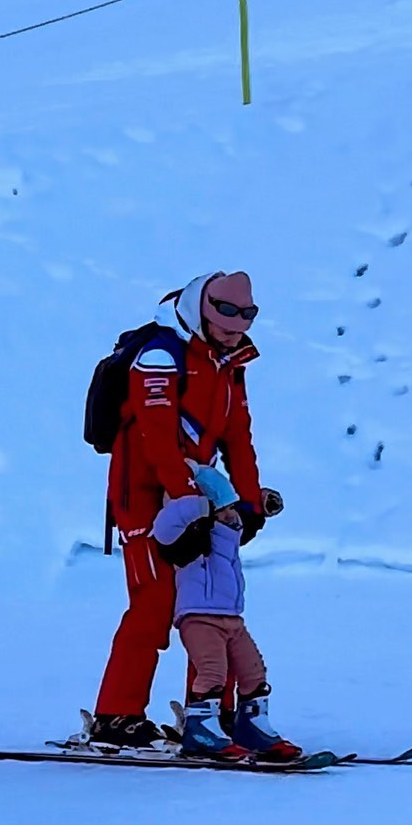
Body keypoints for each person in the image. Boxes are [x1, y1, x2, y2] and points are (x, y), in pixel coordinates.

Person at [91, 270, 282, 749]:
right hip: (145, 495)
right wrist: (186, 502)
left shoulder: (229, 361)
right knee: (154, 603)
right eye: (227, 312)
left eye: (248, 314)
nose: (237, 324)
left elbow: (238, 434)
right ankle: (117, 716)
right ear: (203, 305)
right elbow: (154, 438)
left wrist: (249, 502)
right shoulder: (160, 353)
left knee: (211, 602)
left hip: (198, 495)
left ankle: (213, 714)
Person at [152, 464, 301, 762]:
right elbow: (164, 526)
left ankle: (252, 728)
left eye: (232, 508)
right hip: (198, 617)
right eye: (225, 509)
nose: (232, 515)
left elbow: (246, 517)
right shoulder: (189, 537)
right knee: (212, 672)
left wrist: (260, 503)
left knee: (253, 671)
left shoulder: (228, 532)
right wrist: (200, 504)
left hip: (232, 618)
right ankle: (201, 732)